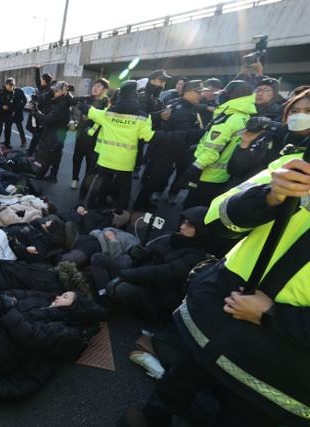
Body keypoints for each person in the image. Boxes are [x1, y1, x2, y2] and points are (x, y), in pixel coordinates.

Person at [123, 136, 310, 427]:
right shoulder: (293, 163)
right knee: (181, 380)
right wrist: (269, 197)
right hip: (219, 310)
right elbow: (218, 218)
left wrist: (272, 314)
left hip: (281, 357)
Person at [78, 81, 155, 221]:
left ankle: (91, 208)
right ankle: (119, 216)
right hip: (125, 162)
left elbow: (93, 113)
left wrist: (84, 106)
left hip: (106, 158)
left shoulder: (109, 113)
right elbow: (148, 137)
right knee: (124, 189)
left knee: (100, 182)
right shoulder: (143, 116)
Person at [179, 80, 256, 208]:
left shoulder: (228, 119)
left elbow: (211, 151)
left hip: (207, 174)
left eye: (224, 94)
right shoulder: (244, 116)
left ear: (231, 96)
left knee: (190, 209)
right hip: (222, 175)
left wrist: (192, 170)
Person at [134, 80, 206, 210]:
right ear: (188, 92)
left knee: (155, 180)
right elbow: (184, 134)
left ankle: (143, 202)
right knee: (155, 180)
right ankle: (139, 206)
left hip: (166, 149)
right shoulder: (182, 109)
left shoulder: (180, 104)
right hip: (167, 151)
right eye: (198, 92)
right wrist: (205, 132)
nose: (201, 95)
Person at [228, 88, 310, 184]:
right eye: (294, 111)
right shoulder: (271, 135)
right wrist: (245, 144)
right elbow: (235, 170)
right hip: (251, 193)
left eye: (308, 110)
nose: (300, 115)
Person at [71, 78, 109, 189]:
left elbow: (104, 120)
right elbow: (79, 112)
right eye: (94, 86)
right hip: (81, 135)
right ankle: (75, 179)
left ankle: (85, 184)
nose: (95, 88)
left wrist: (90, 116)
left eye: (98, 86)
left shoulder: (106, 104)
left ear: (104, 90)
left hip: (94, 139)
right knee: (76, 159)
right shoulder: (87, 99)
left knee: (90, 163)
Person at [34, 81, 71, 183]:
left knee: (44, 158)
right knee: (56, 157)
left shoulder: (61, 105)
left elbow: (48, 119)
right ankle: (53, 176)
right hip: (59, 137)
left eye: (56, 90)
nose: (54, 92)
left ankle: (38, 179)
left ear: (61, 92)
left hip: (51, 137)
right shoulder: (66, 102)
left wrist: (36, 113)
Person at [28, 66, 54, 155]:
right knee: (36, 133)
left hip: (42, 116)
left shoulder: (49, 90)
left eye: (42, 80)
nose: (41, 81)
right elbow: (37, 81)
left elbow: (43, 101)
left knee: (37, 135)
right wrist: (37, 70)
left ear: (45, 81)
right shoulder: (43, 88)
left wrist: (37, 99)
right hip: (37, 115)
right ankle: (34, 150)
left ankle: (31, 152)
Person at [0, 77, 17, 149]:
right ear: (6, 84)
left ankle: (7, 143)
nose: (11, 87)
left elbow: (15, 103)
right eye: (10, 85)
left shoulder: (13, 93)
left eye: (12, 85)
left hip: (9, 114)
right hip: (0, 113)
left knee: (8, 129)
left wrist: (14, 111)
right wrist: (1, 107)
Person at [12, 81, 28, 148]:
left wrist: (20, 107)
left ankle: (23, 141)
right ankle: (6, 142)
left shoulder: (19, 91)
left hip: (18, 112)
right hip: (9, 112)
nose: (11, 86)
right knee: (7, 127)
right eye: (9, 84)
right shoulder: (6, 91)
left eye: (12, 84)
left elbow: (25, 100)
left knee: (20, 127)